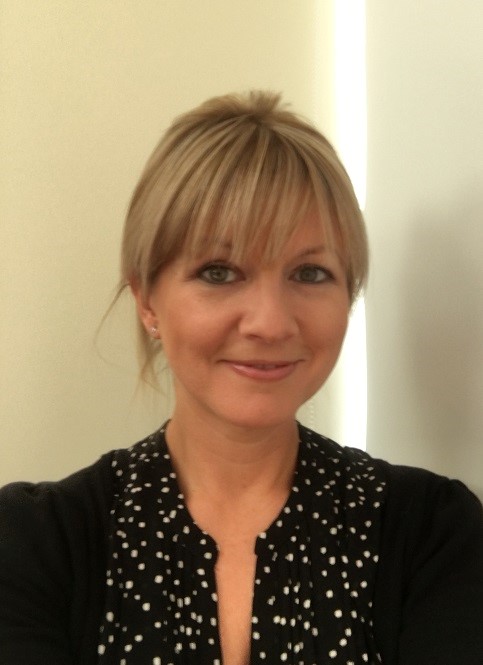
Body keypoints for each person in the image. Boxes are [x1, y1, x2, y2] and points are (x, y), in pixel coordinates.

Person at [0, 91, 482, 665]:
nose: (271, 323)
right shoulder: (36, 542)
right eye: (219, 272)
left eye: (310, 273)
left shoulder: (432, 532)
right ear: (147, 299)